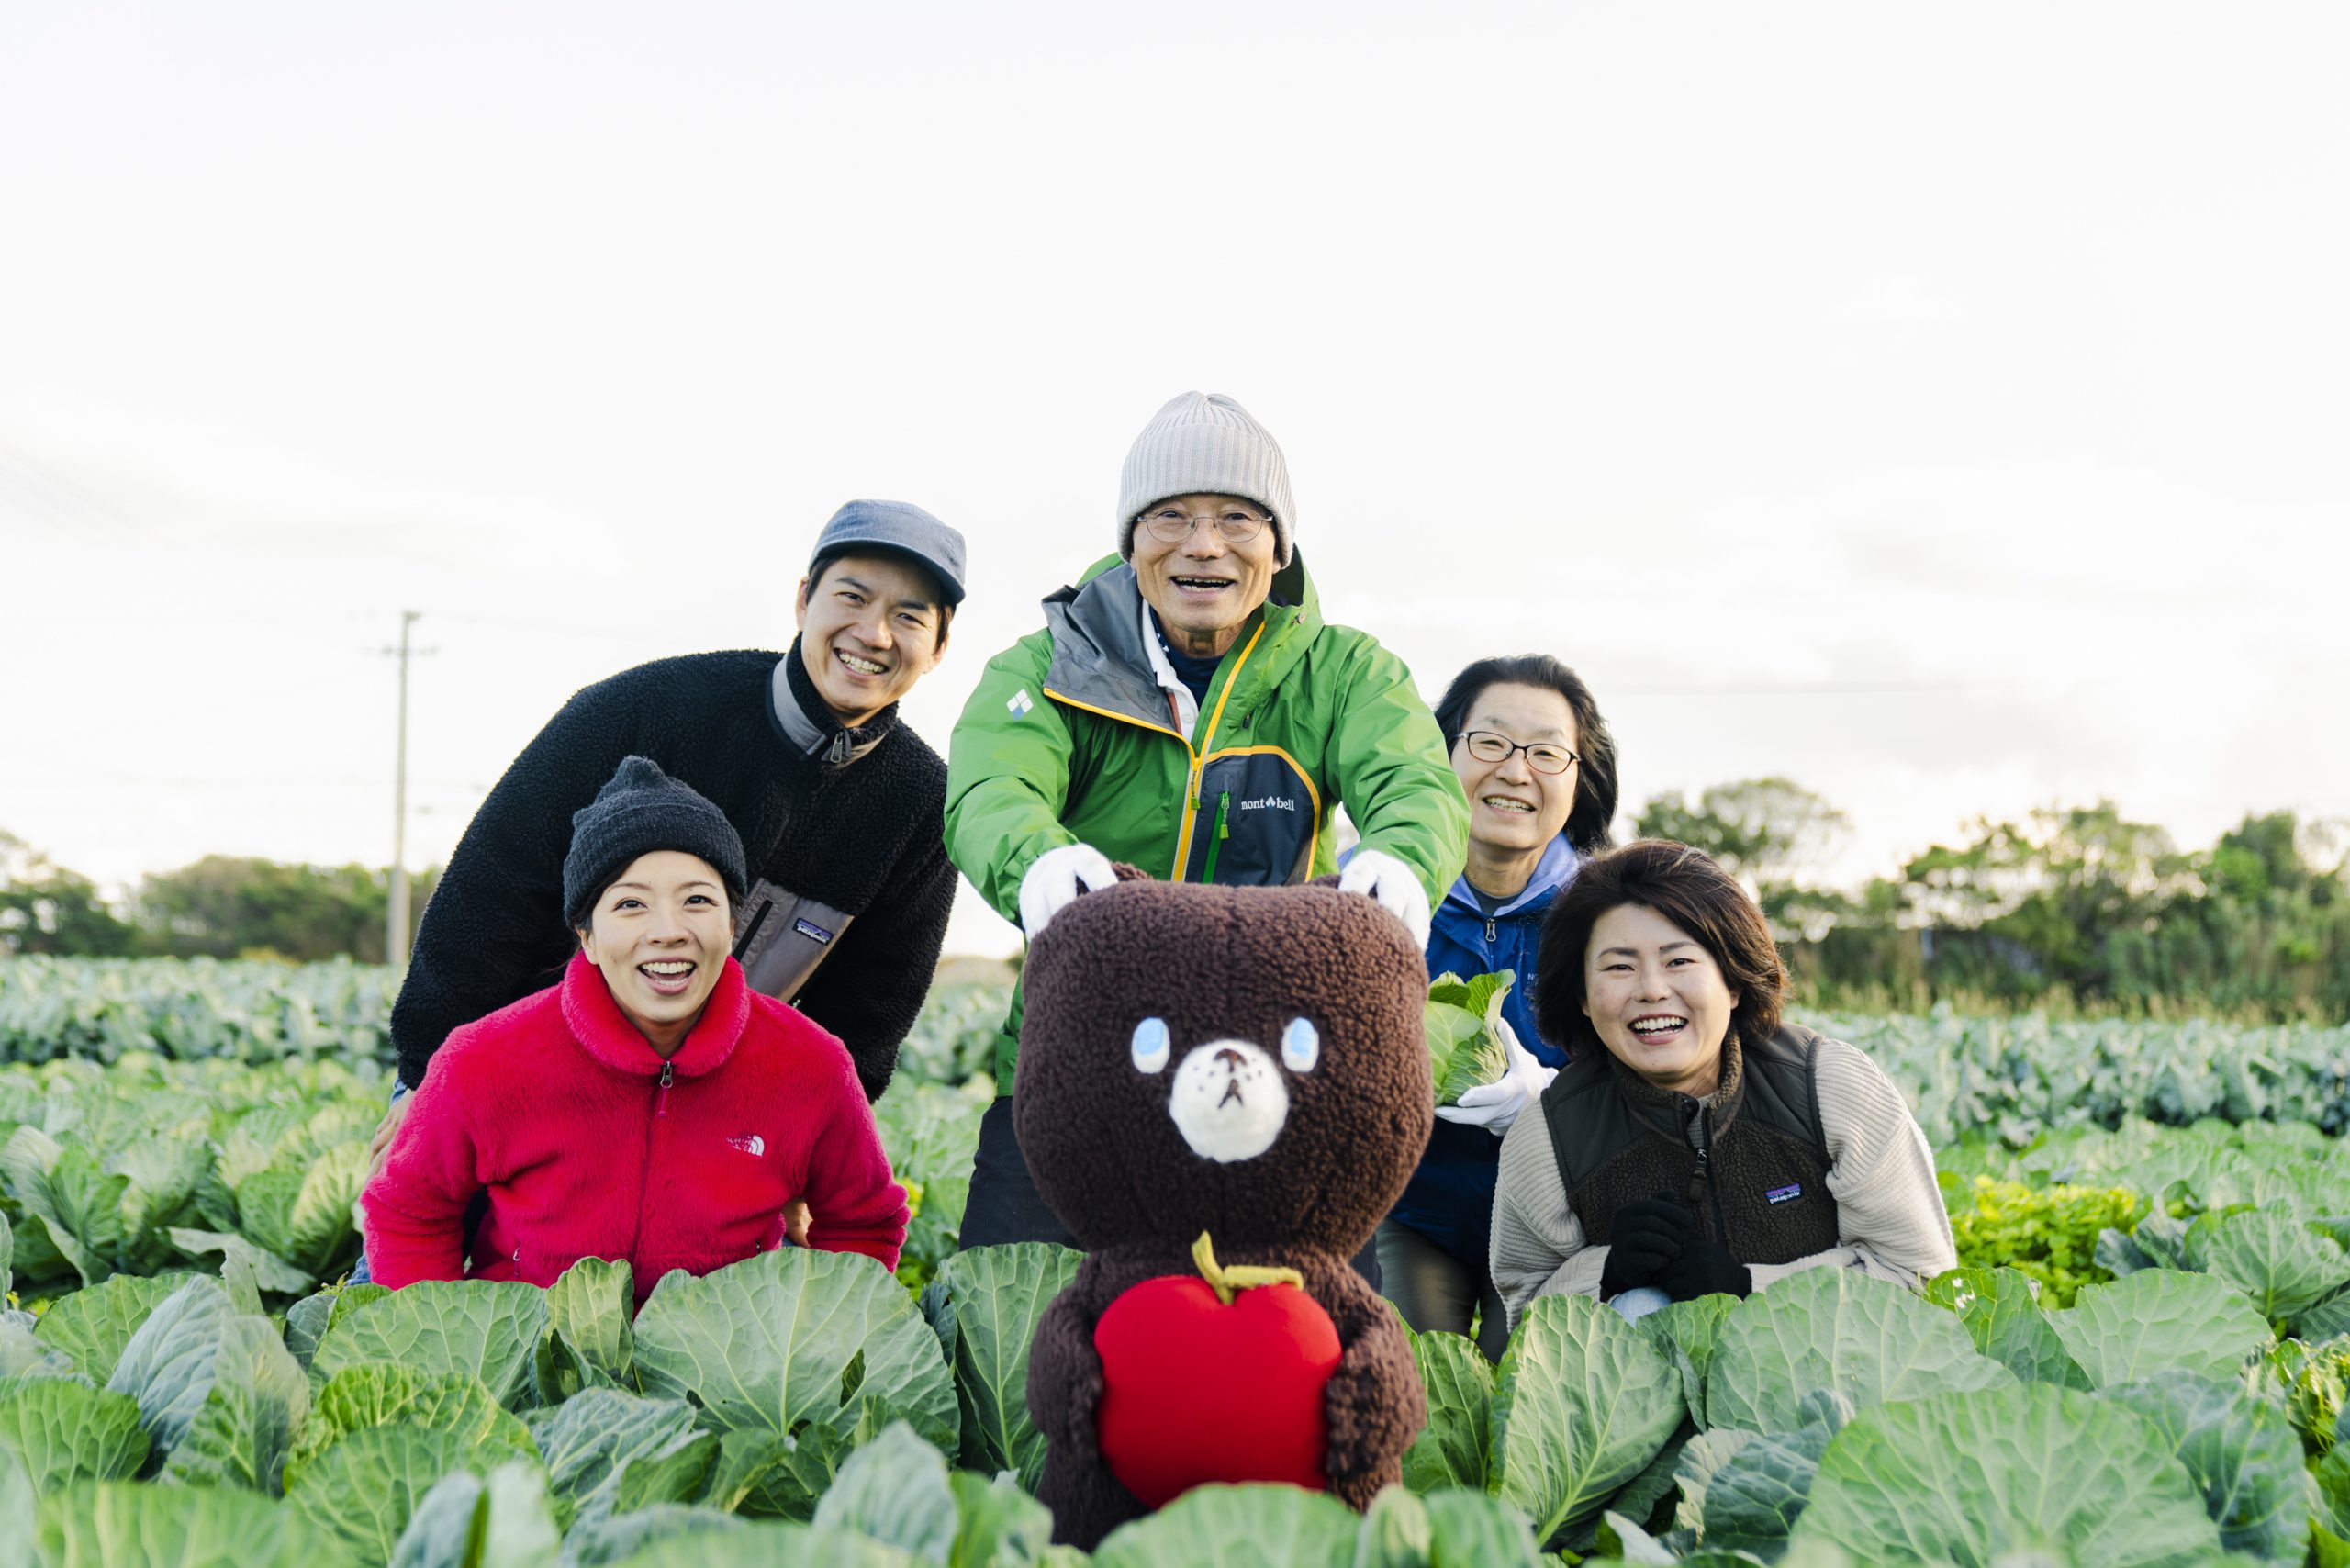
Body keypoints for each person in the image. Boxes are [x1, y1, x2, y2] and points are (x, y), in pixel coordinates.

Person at [946, 391, 1470, 1252]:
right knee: (1019, 1343)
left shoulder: (1345, 673)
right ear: (1131, 539)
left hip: (1274, 1081)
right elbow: (990, 785)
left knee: (1294, 1351)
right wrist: (1038, 860)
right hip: (1083, 1069)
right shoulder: (1047, 664)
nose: (1203, 545)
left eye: (1237, 517)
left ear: (1277, 543)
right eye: (1170, 517)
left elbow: (1413, 779)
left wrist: (1405, 858)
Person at [385, 498, 966, 1120]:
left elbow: (864, 1025)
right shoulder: (646, 712)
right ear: (803, 601)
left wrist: (809, 1147)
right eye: (852, 597)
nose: (874, 635)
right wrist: (427, 1076)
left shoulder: (922, 809)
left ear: (938, 646)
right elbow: (491, 890)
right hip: (517, 1084)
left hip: (698, 1126)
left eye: (907, 616)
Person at [363, 756, 908, 1302]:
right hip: (529, 1369)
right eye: (630, 904)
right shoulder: (482, 1060)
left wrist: (814, 1346)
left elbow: (863, 1223)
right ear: (588, 935)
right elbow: (411, 1212)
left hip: (724, 1379)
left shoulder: (811, 1065)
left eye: (697, 900)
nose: (668, 931)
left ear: (731, 924)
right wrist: (450, 1353)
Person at [1489, 840, 1954, 1330]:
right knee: (1638, 1310)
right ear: (1582, 995)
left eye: (1679, 961)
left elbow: (1919, 1277)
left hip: (1826, 1384)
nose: (1651, 989)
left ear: (1732, 982)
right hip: (1639, 1401)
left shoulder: (1831, 1087)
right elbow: (1525, 1313)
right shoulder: (1547, 1135)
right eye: (1619, 966)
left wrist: (1752, 1289)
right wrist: (1604, 1273)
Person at [1374, 655, 1617, 1361]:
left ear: (1580, 777)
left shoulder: (1615, 914)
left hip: (1565, 1217)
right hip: (1411, 1213)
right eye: (1490, 742)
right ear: (1440, 752)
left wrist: (1550, 1099)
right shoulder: (1381, 898)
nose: (1516, 771)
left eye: (1547, 752)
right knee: (1412, 1387)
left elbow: (1670, 1075)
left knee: (1536, 1400)